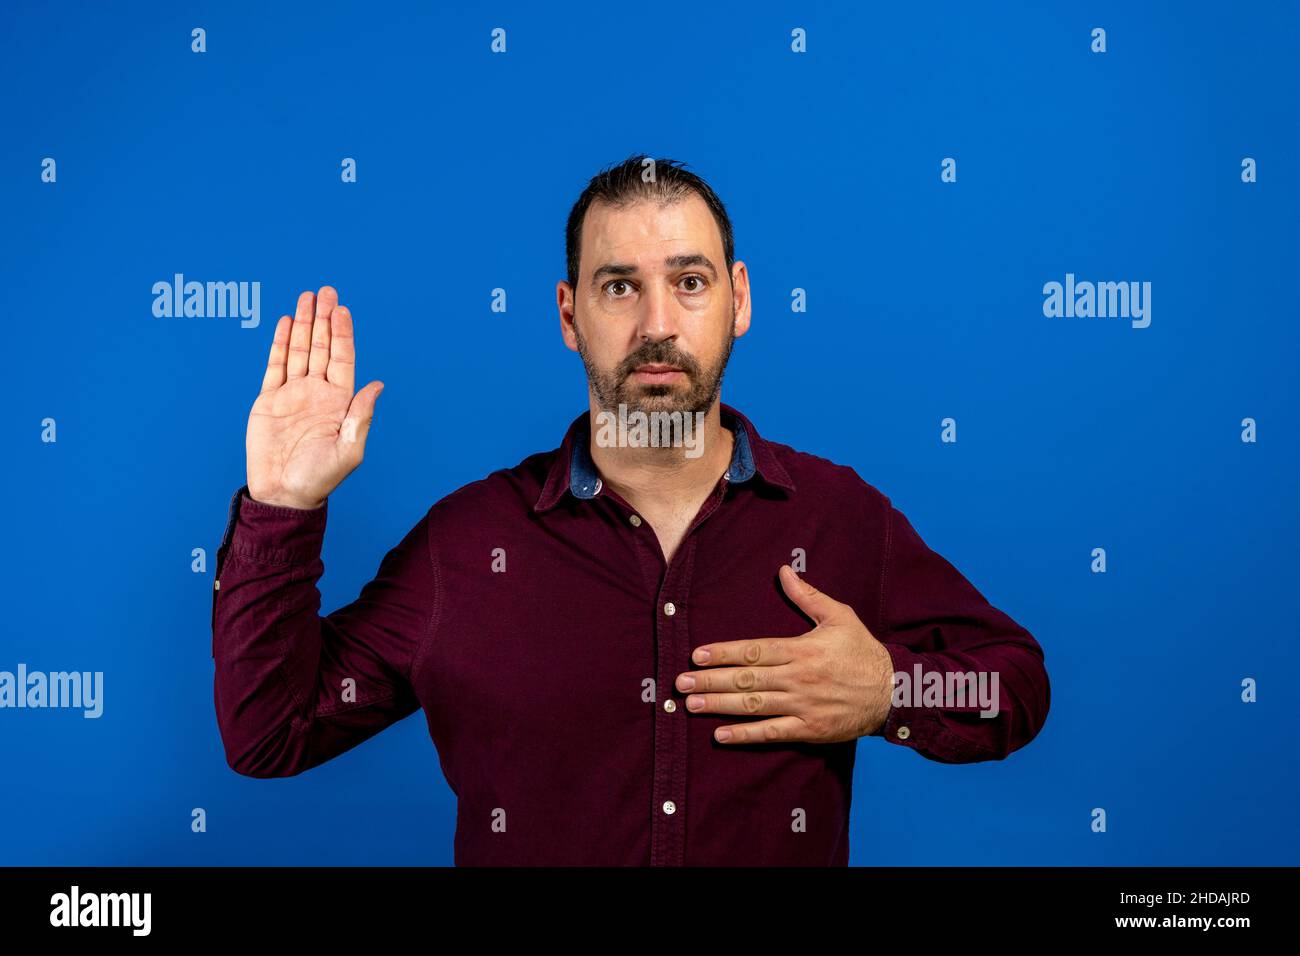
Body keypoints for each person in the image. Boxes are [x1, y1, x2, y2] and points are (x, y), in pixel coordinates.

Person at [212, 154, 1050, 866]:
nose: (657, 324)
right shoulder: (466, 544)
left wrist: (892, 693)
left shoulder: (838, 518)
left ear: (741, 301)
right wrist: (280, 507)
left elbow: (1014, 685)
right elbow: (271, 734)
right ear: (571, 315)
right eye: (619, 286)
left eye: (689, 281)